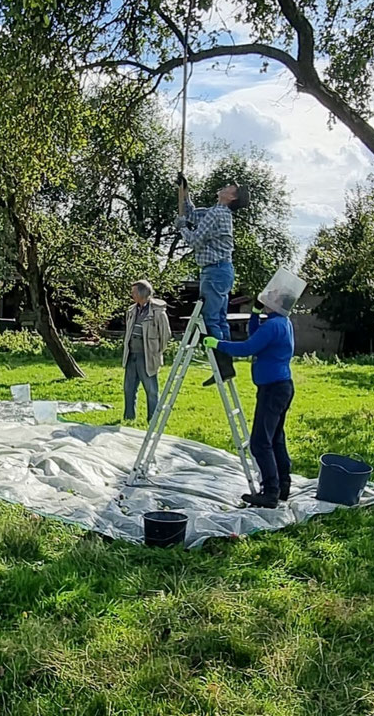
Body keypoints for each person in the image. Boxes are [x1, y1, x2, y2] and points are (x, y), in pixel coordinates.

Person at [204, 287, 296, 509]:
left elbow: (247, 347)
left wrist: (218, 344)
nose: (265, 300)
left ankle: (270, 492)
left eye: (269, 298)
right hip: (280, 386)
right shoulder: (281, 322)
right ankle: (283, 485)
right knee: (275, 438)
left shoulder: (274, 325)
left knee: (260, 442)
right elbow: (255, 334)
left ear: (277, 303)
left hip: (273, 389)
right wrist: (255, 312)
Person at [177, 178, 247, 383]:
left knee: (211, 319)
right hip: (222, 270)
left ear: (231, 197)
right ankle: (226, 363)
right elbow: (192, 214)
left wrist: (182, 227)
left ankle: (222, 365)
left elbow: (194, 240)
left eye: (230, 188)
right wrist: (185, 191)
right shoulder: (217, 212)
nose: (225, 187)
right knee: (220, 319)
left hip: (215, 271)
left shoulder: (217, 213)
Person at [120, 280, 171, 423]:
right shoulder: (131, 310)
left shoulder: (158, 311)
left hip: (147, 356)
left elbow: (165, 335)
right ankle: (128, 418)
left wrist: (156, 352)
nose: (132, 295)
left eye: (134, 292)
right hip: (131, 355)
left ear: (142, 293)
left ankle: (153, 419)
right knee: (129, 389)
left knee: (151, 390)